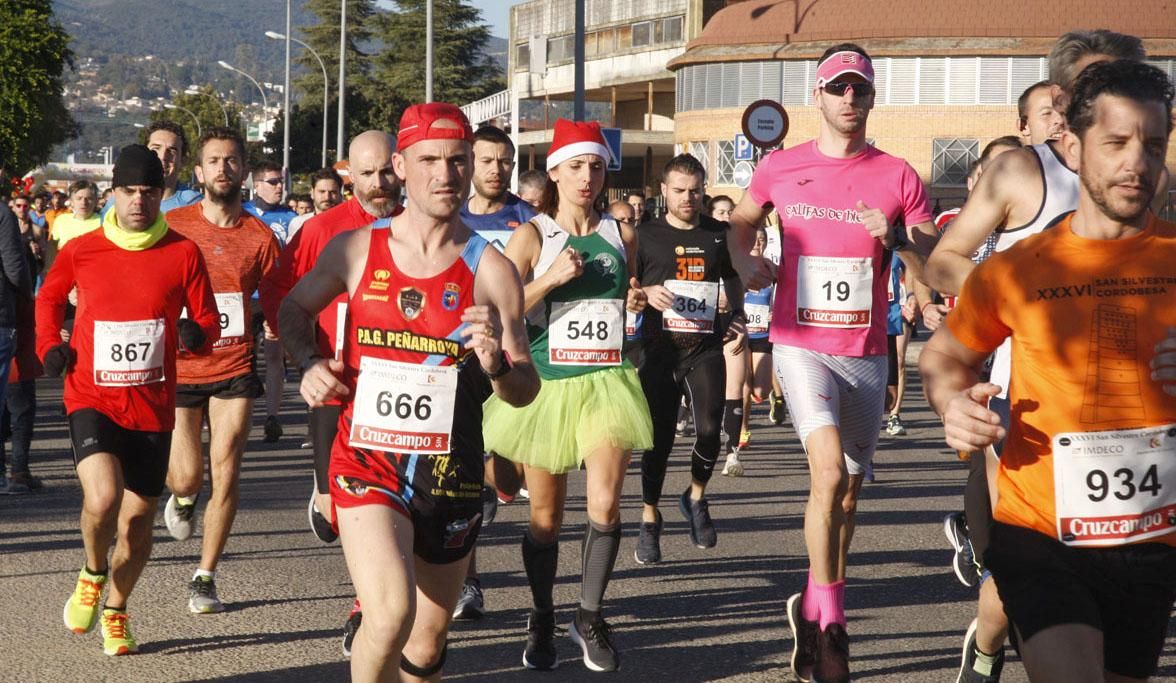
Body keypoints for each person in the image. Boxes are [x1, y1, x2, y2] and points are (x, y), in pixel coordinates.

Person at [920, 59, 1175, 683]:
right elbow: (945, 356)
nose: (1136, 163)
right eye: (1115, 143)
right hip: (1039, 528)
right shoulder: (1016, 269)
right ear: (1071, 146)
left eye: (1154, 145)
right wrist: (954, 406)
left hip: (1152, 536)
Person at [279, 101, 539, 683]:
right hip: (365, 459)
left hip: (451, 470)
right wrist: (310, 361)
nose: (445, 175)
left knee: (425, 643)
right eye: (429, 160)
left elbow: (524, 390)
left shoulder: (492, 269)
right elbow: (293, 309)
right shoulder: (355, 250)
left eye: (457, 160)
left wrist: (496, 363)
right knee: (389, 613)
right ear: (401, 164)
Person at [725, 44, 936, 682]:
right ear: (816, 95)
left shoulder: (898, 175)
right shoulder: (781, 167)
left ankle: (815, 600)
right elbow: (739, 221)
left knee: (849, 493)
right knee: (825, 475)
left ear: (872, 98)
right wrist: (742, 260)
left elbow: (933, 259)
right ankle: (832, 624)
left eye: (860, 90)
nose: (850, 100)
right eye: (839, 88)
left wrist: (896, 239)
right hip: (799, 343)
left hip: (866, 351)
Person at [482, 118, 653, 672]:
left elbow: (622, 295)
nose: (587, 177)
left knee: (605, 503)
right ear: (554, 171)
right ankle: (540, 613)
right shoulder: (531, 235)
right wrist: (552, 278)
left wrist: (635, 303)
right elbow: (503, 310)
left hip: (608, 382)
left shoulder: (620, 232)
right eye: (576, 166)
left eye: (597, 167)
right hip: (548, 386)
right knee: (546, 521)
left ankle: (590, 614)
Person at [39, 144, 219, 655]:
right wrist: (50, 344)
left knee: (138, 520)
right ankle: (93, 572)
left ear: (161, 194)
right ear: (113, 193)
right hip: (91, 394)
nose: (138, 201)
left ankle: (116, 609)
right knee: (102, 498)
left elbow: (208, 319)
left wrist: (194, 333)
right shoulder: (83, 249)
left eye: (148, 191)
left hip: (152, 406)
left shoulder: (183, 252)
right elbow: (49, 297)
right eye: (129, 191)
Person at [162, 127, 281, 614]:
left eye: (232, 161)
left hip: (234, 363)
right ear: (199, 171)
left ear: (244, 171)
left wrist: (278, 327)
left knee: (227, 465)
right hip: (181, 365)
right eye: (214, 161)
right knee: (187, 476)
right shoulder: (174, 225)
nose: (223, 170)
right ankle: (185, 497)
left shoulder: (261, 237)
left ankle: (205, 575)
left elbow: (277, 297)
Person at [633, 153, 746, 564]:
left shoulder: (717, 232)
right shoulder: (644, 235)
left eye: (695, 190)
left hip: (705, 346)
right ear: (664, 191)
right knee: (658, 442)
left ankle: (695, 497)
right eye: (679, 190)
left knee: (710, 429)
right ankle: (649, 518)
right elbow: (628, 287)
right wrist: (645, 293)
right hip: (659, 349)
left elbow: (731, 276)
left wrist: (737, 315)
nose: (687, 198)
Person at [451, 123, 539, 621]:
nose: (496, 168)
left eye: (504, 160)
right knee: (462, 471)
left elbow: (537, 294)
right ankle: (470, 582)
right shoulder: (449, 217)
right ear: (468, 162)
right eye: (486, 160)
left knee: (503, 473)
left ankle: (495, 481)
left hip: (509, 356)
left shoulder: (528, 221)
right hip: (454, 359)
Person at [99, 121, 203, 220]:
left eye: (171, 151)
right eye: (155, 149)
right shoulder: (117, 202)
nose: (163, 157)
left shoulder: (195, 204)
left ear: (183, 160)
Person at [287, 167, 344, 241]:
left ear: (340, 194)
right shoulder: (298, 224)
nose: (327, 197)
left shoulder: (350, 226)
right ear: (312, 193)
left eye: (333, 192)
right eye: (322, 191)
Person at [52, 180, 102, 248]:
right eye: (79, 198)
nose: (84, 202)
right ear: (71, 201)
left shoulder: (104, 222)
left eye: (89, 198)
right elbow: (52, 246)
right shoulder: (61, 220)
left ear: (96, 201)